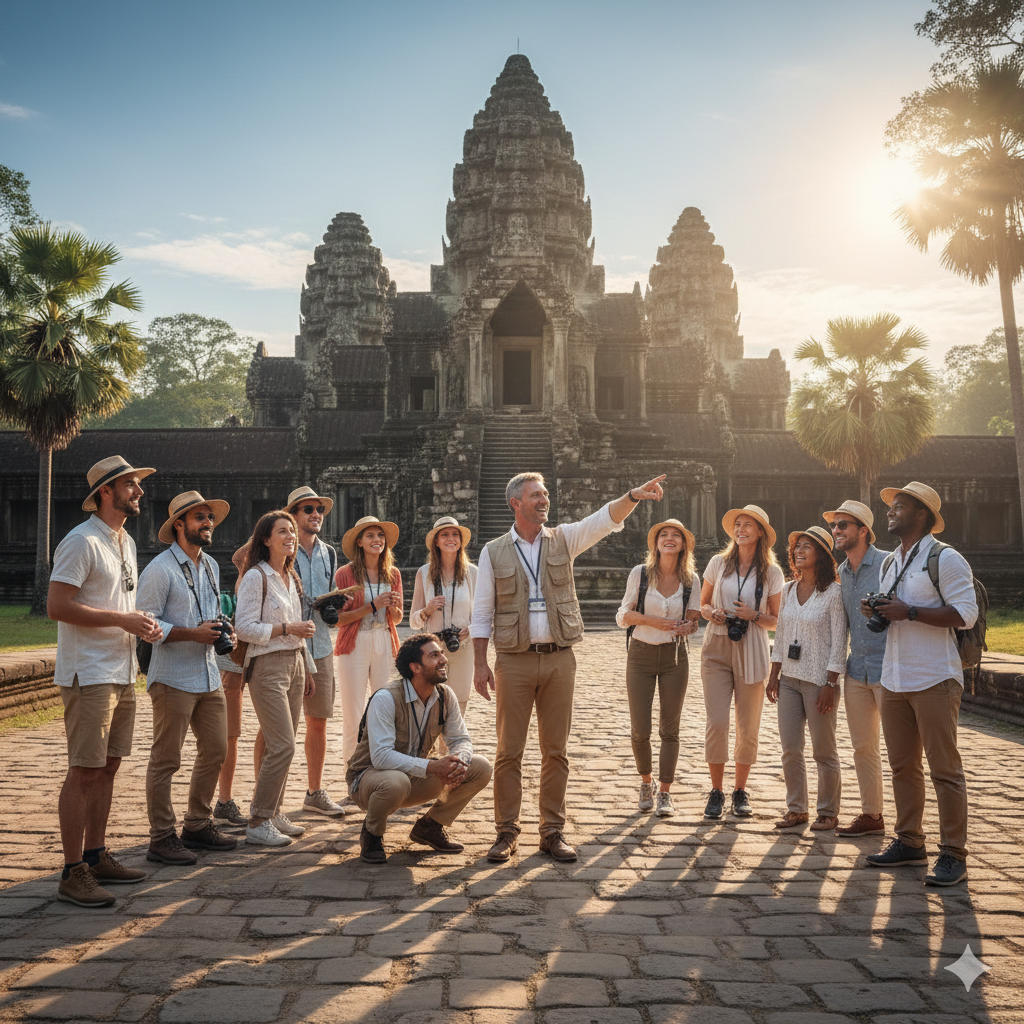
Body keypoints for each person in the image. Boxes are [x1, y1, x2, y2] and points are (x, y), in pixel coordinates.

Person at [472, 472, 668, 864]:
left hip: (560, 657)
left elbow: (602, 521)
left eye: (545, 494)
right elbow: (481, 612)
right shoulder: (493, 552)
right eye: (535, 495)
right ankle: (506, 831)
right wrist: (480, 664)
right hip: (514, 659)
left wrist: (632, 495)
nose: (544, 500)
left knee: (556, 750)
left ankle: (552, 830)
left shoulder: (563, 538)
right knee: (509, 751)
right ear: (516, 503)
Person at [47, 456, 163, 907]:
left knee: (109, 766)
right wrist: (122, 619)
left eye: (137, 483)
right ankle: (72, 870)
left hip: (120, 667)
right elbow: (58, 605)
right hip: (88, 671)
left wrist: (141, 624)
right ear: (105, 492)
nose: (138, 491)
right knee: (84, 769)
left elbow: (119, 604)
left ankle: (96, 855)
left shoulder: (125, 542)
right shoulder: (81, 542)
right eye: (129, 485)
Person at [862, 482, 978, 887]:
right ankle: (910, 840)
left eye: (900, 507)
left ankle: (953, 853)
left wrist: (908, 610)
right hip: (894, 675)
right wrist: (878, 609)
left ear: (922, 515)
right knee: (902, 766)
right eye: (891, 507)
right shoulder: (891, 562)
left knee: (944, 769)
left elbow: (965, 615)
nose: (891, 512)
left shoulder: (945, 558)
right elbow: (897, 611)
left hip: (933, 676)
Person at [137, 491, 238, 864]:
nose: (207, 523)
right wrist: (191, 633)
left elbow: (210, 613)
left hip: (208, 672)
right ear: (179, 524)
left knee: (216, 749)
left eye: (209, 517)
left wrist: (224, 630)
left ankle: (197, 824)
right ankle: (160, 837)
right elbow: (145, 624)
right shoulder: (159, 569)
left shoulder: (209, 565)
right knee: (166, 759)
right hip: (172, 676)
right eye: (199, 518)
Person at [347, 633, 493, 864]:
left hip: (416, 777)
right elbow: (381, 757)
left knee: (480, 767)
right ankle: (372, 834)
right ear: (415, 667)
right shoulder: (386, 698)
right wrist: (433, 766)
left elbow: (461, 739)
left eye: (442, 654)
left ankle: (430, 827)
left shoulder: (445, 695)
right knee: (396, 781)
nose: (443, 660)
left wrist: (458, 763)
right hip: (371, 782)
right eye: (434, 656)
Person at [234, 511, 317, 847]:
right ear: (265, 539)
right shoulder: (257, 577)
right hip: (267, 665)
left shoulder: (290, 577)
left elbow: (299, 628)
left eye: (292, 532)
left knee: (277, 743)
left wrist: (307, 665)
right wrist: (287, 629)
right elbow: (244, 628)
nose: (290, 536)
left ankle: (274, 811)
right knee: (283, 744)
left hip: (295, 662)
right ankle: (257, 819)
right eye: (282, 531)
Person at [699, 504, 784, 821]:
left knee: (748, 727)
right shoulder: (718, 564)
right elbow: (703, 604)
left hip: (753, 646)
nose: (741, 529)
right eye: (738, 524)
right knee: (717, 722)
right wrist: (714, 613)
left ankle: (740, 790)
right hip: (717, 646)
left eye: (749, 524)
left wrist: (754, 616)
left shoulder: (772, 573)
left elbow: (777, 621)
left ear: (760, 532)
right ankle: (716, 791)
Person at [615, 518, 701, 817]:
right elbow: (623, 615)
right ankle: (646, 782)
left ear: (683, 544)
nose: (669, 538)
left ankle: (665, 792)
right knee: (640, 729)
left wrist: (688, 627)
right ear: (656, 543)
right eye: (663, 534)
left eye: (676, 535)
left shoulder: (691, 579)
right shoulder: (640, 575)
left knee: (670, 729)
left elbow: (694, 619)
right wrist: (652, 621)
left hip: (675, 657)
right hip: (640, 654)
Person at [766, 527, 847, 833]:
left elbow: (840, 641)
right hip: (788, 680)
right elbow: (782, 635)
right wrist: (774, 675)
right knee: (790, 748)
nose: (799, 551)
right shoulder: (787, 590)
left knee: (824, 751)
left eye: (807, 548)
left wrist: (830, 683)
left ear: (822, 556)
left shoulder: (834, 594)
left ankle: (827, 811)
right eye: (797, 547)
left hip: (818, 682)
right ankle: (796, 809)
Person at [824, 500, 889, 838]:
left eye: (844, 525)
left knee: (902, 751)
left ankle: (913, 827)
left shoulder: (888, 563)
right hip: (857, 669)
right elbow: (842, 627)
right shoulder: (843, 573)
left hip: (891, 666)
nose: (837, 531)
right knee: (863, 746)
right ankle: (872, 814)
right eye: (835, 526)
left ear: (863, 530)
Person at [285, 486, 346, 817]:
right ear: (293, 515)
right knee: (279, 725)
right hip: (287, 646)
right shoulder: (281, 548)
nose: (315, 514)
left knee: (318, 721)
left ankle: (314, 790)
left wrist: (333, 605)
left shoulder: (329, 553)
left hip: (320, 645)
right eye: (307, 509)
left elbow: (327, 596)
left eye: (319, 509)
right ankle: (267, 798)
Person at [333, 516, 404, 767]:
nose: (377, 540)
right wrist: (371, 606)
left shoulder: (393, 573)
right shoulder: (345, 574)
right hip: (355, 643)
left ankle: (382, 766)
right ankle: (353, 770)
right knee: (353, 712)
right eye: (371, 536)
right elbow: (338, 619)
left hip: (384, 639)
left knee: (384, 708)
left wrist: (392, 607)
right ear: (360, 542)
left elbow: (397, 617)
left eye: (381, 536)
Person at [410, 516, 478, 718]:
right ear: (436, 542)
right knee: (432, 705)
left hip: (463, 647)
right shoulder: (423, 573)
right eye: (445, 535)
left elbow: (485, 614)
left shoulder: (473, 573)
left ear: (461, 541)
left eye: (455, 534)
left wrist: (471, 629)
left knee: (459, 705)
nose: (451, 539)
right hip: (432, 649)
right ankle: (435, 750)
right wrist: (427, 610)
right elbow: (414, 622)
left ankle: (453, 750)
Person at [213, 544, 252, 826]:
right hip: (235, 659)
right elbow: (240, 555)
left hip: (264, 655)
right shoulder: (248, 574)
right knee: (231, 733)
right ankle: (224, 799)